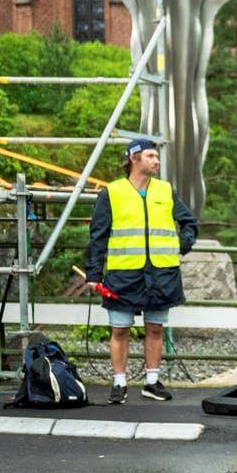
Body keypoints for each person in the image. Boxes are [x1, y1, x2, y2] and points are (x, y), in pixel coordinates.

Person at [85, 138, 197, 404]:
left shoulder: (166, 190)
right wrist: (93, 274)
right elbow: (97, 236)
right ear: (134, 159)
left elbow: (189, 222)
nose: (156, 161)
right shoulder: (111, 193)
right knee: (120, 330)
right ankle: (119, 383)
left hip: (161, 273)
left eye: (157, 157)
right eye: (150, 156)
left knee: (155, 328)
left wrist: (181, 245)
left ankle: (151, 382)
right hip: (124, 274)